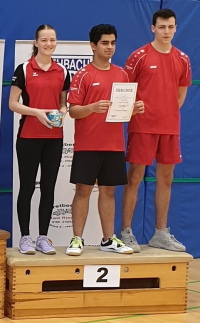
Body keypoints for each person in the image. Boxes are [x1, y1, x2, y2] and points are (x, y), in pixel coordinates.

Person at [66, 24, 144, 256]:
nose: (110, 47)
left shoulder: (122, 74)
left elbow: (122, 111)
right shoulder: (83, 75)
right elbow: (73, 111)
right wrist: (91, 107)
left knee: (109, 192)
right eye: (104, 43)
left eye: (113, 43)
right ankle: (77, 239)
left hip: (113, 145)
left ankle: (108, 240)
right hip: (87, 145)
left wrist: (134, 110)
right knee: (83, 190)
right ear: (93, 45)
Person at [121, 9, 191, 252]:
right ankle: (126, 232)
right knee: (135, 177)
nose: (166, 31)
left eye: (171, 27)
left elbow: (180, 94)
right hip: (142, 126)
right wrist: (141, 111)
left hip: (170, 127)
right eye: (162, 27)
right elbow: (124, 91)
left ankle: (160, 233)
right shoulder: (138, 56)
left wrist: (166, 112)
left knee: (166, 179)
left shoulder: (182, 58)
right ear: (153, 28)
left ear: (175, 27)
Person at [9, 24, 70, 255]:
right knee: (26, 188)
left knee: (48, 188)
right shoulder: (24, 69)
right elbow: (13, 103)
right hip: (28, 137)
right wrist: (37, 112)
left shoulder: (63, 72)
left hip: (54, 138)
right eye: (44, 40)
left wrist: (62, 113)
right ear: (36, 43)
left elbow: (64, 103)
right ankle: (25, 237)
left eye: (52, 40)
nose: (48, 44)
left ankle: (43, 237)